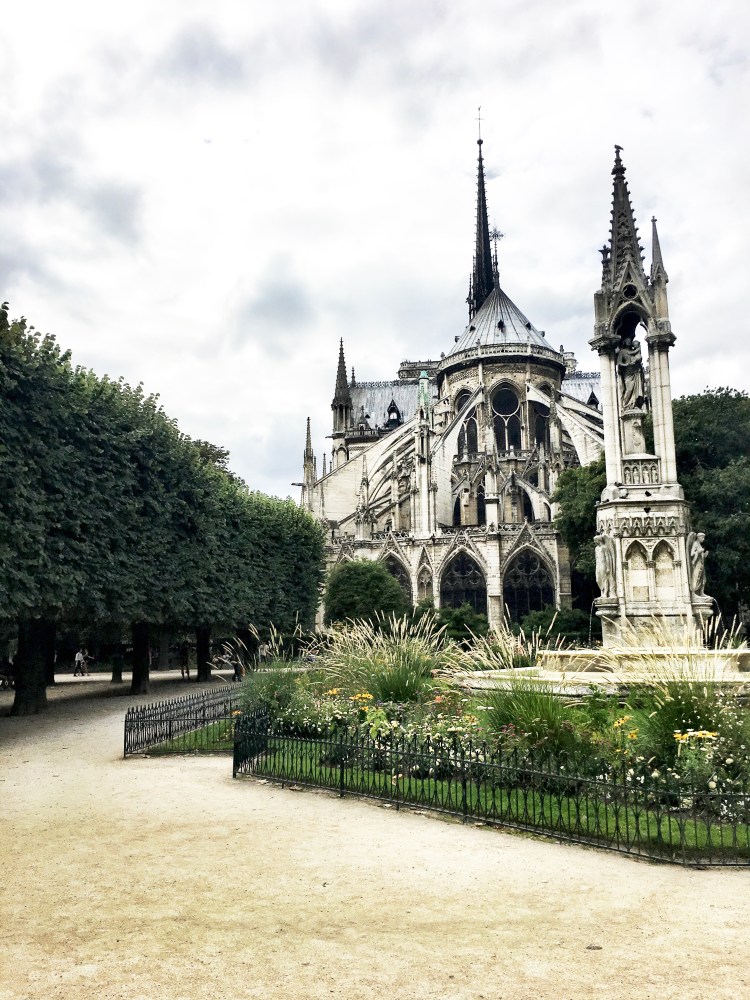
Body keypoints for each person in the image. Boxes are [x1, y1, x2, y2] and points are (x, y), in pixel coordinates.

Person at [616, 334, 646, 411]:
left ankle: (635, 404)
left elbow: (639, 358)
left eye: (630, 341)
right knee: (629, 389)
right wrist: (627, 364)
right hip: (627, 373)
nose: (629, 342)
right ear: (624, 342)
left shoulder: (634, 351)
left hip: (636, 372)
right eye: (627, 341)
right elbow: (619, 363)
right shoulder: (622, 352)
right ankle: (626, 405)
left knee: (636, 389)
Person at [688, 531, 707, 597]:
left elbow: (700, 555)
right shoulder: (695, 544)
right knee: (696, 577)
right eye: (702, 537)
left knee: (703, 579)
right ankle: (693, 593)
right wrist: (699, 551)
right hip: (697, 564)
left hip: (701, 563)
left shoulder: (699, 544)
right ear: (699, 537)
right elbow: (691, 554)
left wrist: (704, 555)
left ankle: (701, 593)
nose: (703, 539)